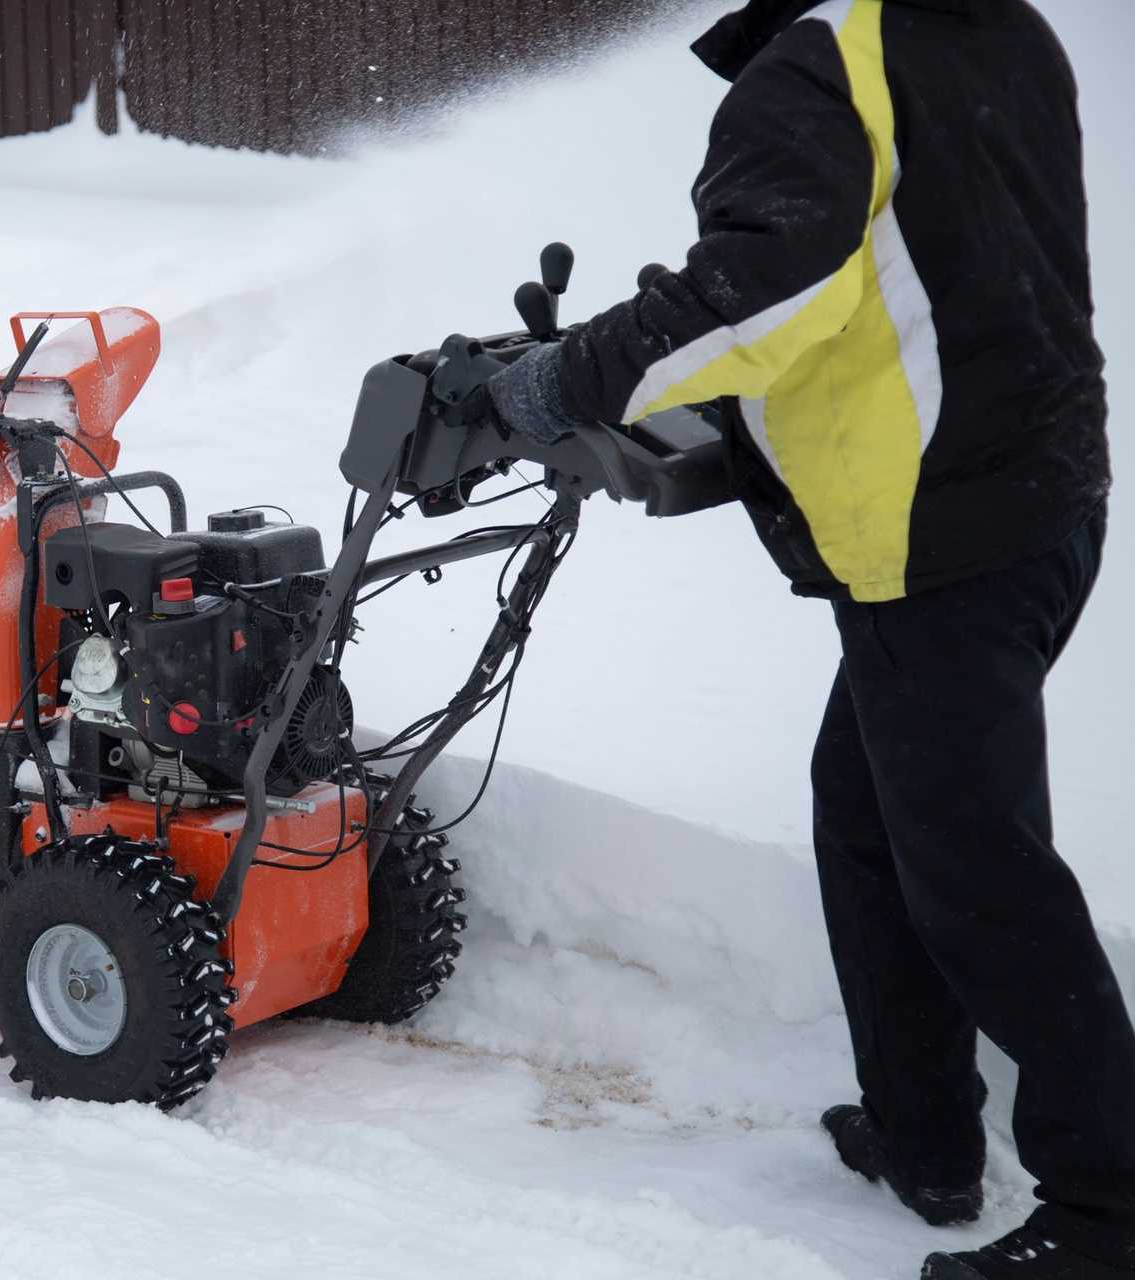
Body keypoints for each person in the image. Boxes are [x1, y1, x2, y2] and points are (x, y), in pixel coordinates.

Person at [483, 0, 1131, 1276]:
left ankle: (1114, 1204)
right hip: (1038, 496)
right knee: (874, 814)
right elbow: (923, 256)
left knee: (976, 871)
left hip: (937, 530)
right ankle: (928, 1133)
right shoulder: (994, 25)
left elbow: (768, 291)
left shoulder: (828, 61)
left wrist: (566, 380)